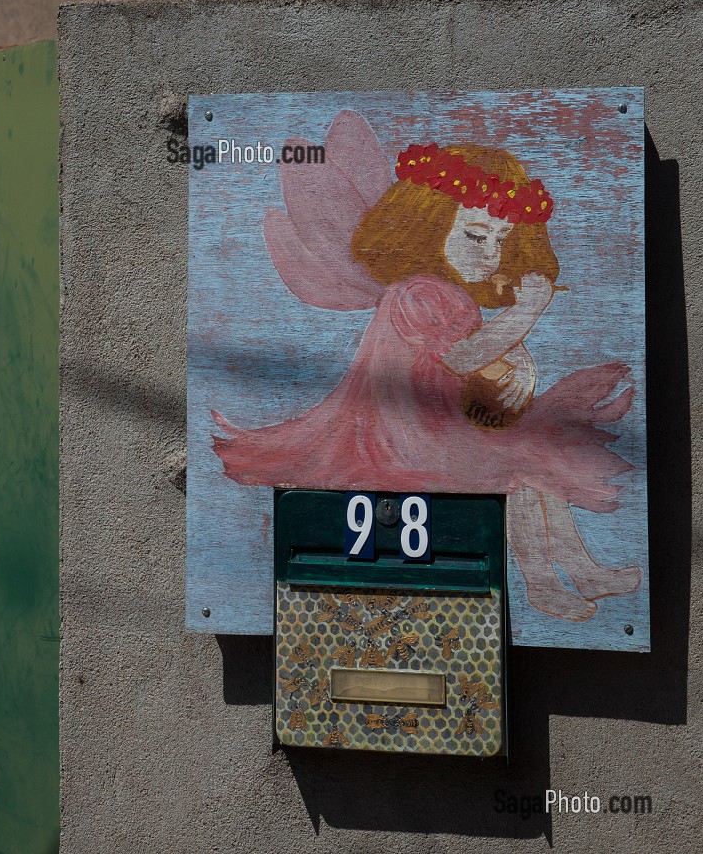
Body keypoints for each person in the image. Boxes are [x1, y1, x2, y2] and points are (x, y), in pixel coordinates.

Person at [212, 113, 641, 622]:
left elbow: (469, 355)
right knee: (528, 469)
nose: (490, 253)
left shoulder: (453, 295)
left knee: (536, 461)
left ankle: (582, 569)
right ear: (430, 227)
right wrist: (525, 314)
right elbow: (460, 356)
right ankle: (545, 584)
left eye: (500, 241)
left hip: (439, 428)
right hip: (404, 437)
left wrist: (513, 355)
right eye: (477, 236)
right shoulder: (416, 292)